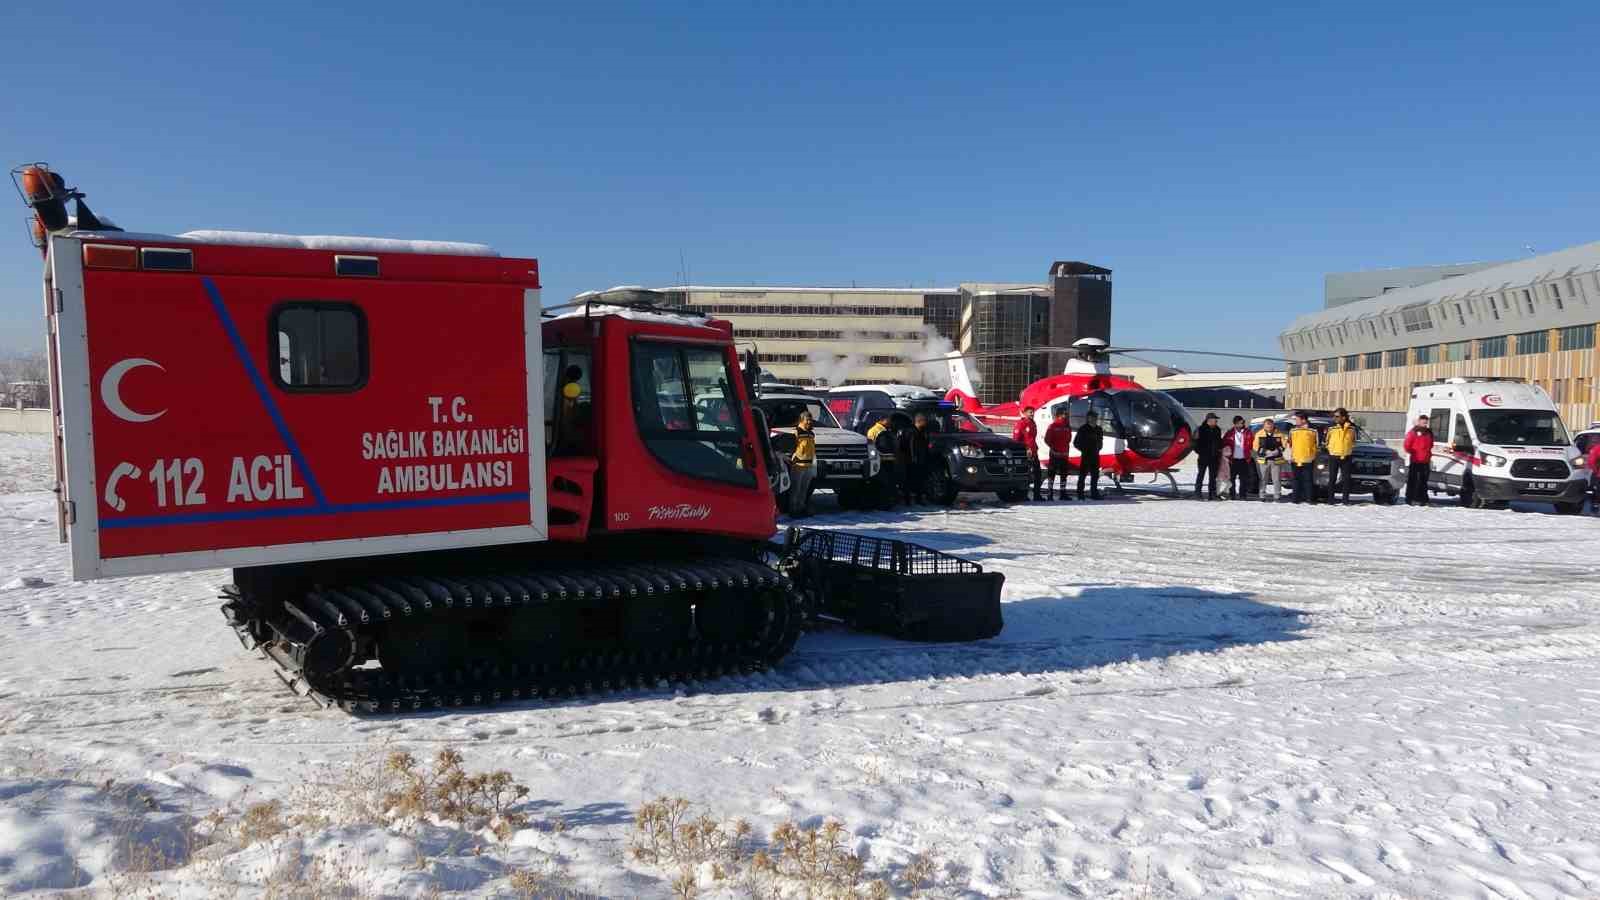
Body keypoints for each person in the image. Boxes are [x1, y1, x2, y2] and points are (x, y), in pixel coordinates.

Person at [895, 413, 933, 504]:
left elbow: (925, 446)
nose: (926, 424)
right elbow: (902, 446)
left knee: (920, 480)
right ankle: (907, 499)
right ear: (919, 421)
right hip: (910, 460)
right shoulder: (909, 432)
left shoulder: (923, 432)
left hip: (921, 460)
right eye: (924, 421)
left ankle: (918, 499)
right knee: (908, 480)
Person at [787, 410, 817, 517]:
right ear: (802, 420)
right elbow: (791, 447)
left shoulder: (811, 434)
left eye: (810, 419)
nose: (809, 421)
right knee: (796, 489)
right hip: (798, 466)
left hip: (809, 465)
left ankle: (801, 507)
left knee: (804, 490)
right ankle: (793, 509)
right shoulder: (797, 432)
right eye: (807, 419)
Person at [1010, 405, 1043, 501]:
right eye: (1030, 412)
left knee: (1038, 474)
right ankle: (1024, 495)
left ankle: (1037, 495)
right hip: (1025, 453)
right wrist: (1025, 449)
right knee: (1026, 474)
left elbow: (1032, 438)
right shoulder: (1021, 423)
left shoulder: (1033, 423)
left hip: (1033, 452)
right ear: (1025, 413)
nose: (1032, 414)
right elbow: (1016, 440)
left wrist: (1035, 448)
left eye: (1033, 412)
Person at [1326, 408, 1357, 504]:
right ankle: (1330, 500)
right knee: (1332, 478)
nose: (1335, 418)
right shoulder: (1331, 428)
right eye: (1334, 416)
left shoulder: (1351, 428)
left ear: (1343, 417)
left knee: (1346, 479)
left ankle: (1345, 500)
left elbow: (1353, 441)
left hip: (1346, 456)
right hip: (1334, 455)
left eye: (1337, 416)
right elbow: (1327, 441)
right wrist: (1331, 449)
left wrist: (1349, 449)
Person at [1402, 414, 1435, 506]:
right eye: (1423, 422)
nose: (1425, 424)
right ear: (1419, 421)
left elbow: (1431, 444)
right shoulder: (1413, 432)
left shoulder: (1429, 433)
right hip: (1416, 460)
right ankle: (1410, 498)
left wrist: (1427, 453)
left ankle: (1423, 499)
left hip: (1426, 460)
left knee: (1424, 481)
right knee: (1413, 480)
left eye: (1426, 422)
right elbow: (1406, 445)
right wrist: (1413, 452)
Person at [1288, 411, 1320, 504]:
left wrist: (1312, 455)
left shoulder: (1313, 430)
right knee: (1295, 480)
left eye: (1297, 419)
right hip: (1295, 459)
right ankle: (1295, 499)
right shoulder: (1293, 431)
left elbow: (1316, 444)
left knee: (1308, 480)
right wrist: (1290, 455)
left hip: (1308, 459)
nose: (1295, 421)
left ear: (1304, 420)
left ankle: (1309, 499)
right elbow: (1290, 444)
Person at [1074, 410, 1106, 499]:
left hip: (1095, 455)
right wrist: (1084, 449)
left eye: (1095, 417)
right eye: (1091, 417)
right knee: (1082, 475)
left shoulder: (1099, 429)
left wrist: (1099, 447)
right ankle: (1080, 493)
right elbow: (1076, 442)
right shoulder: (1083, 429)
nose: (1094, 419)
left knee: (1095, 476)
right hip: (1086, 455)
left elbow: (1100, 441)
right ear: (1088, 418)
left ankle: (1094, 493)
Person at [1043, 408, 1073, 501]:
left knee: (1063, 474)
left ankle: (1061, 493)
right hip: (1055, 454)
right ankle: (1051, 493)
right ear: (1059, 415)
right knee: (1053, 474)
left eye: (1066, 414)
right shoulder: (1053, 426)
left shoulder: (1067, 426)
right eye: (1065, 414)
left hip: (1063, 454)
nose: (1066, 415)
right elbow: (1047, 439)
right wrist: (1053, 448)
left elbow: (1069, 439)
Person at [1222, 415, 1255, 501]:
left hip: (1244, 459)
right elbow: (1224, 444)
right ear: (1235, 424)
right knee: (1231, 479)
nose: (1243, 424)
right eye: (1241, 423)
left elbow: (1252, 443)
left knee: (1244, 479)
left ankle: (1242, 495)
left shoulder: (1248, 432)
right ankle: (1232, 495)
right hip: (1233, 460)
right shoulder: (1229, 433)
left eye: (1243, 422)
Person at [1255, 419, 1287, 502]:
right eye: (1267, 425)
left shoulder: (1279, 434)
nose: (1269, 427)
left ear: (1273, 425)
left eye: (1270, 425)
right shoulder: (1259, 434)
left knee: (1276, 479)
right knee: (1263, 479)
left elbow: (1284, 444)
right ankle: (1262, 495)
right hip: (1264, 460)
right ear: (1264, 426)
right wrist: (1265, 451)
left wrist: (1277, 451)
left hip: (1276, 460)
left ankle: (1277, 495)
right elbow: (1255, 446)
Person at [1193, 412, 1223, 500]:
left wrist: (1219, 450)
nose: (1216, 421)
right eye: (1215, 420)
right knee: (1201, 475)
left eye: (1216, 420)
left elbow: (1219, 441)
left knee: (1213, 477)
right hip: (1203, 457)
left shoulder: (1217, 429)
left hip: (1214, 457)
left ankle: (1212, 494)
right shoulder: (1201, 429)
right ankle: (1198, 493)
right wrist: (1200, 452)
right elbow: (1195, 443)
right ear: (1209, 420)